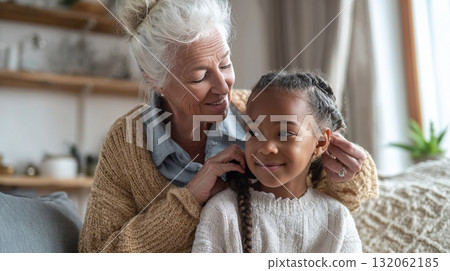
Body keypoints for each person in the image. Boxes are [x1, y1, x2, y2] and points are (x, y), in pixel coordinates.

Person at [79, 0, 377, 253]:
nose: (223, 87)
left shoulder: (257, 109)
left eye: (225, 64)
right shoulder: (127, 141)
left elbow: (325, 204)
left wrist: (350, 173)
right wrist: (189, 200)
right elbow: (97, 254)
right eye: (199, 77)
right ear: (155, 81)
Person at [192, 71, 362, 253]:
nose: (266, 148)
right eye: (254, 132)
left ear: (320, 142)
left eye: (285, 133)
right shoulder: (222, 213)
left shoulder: (337, 219)